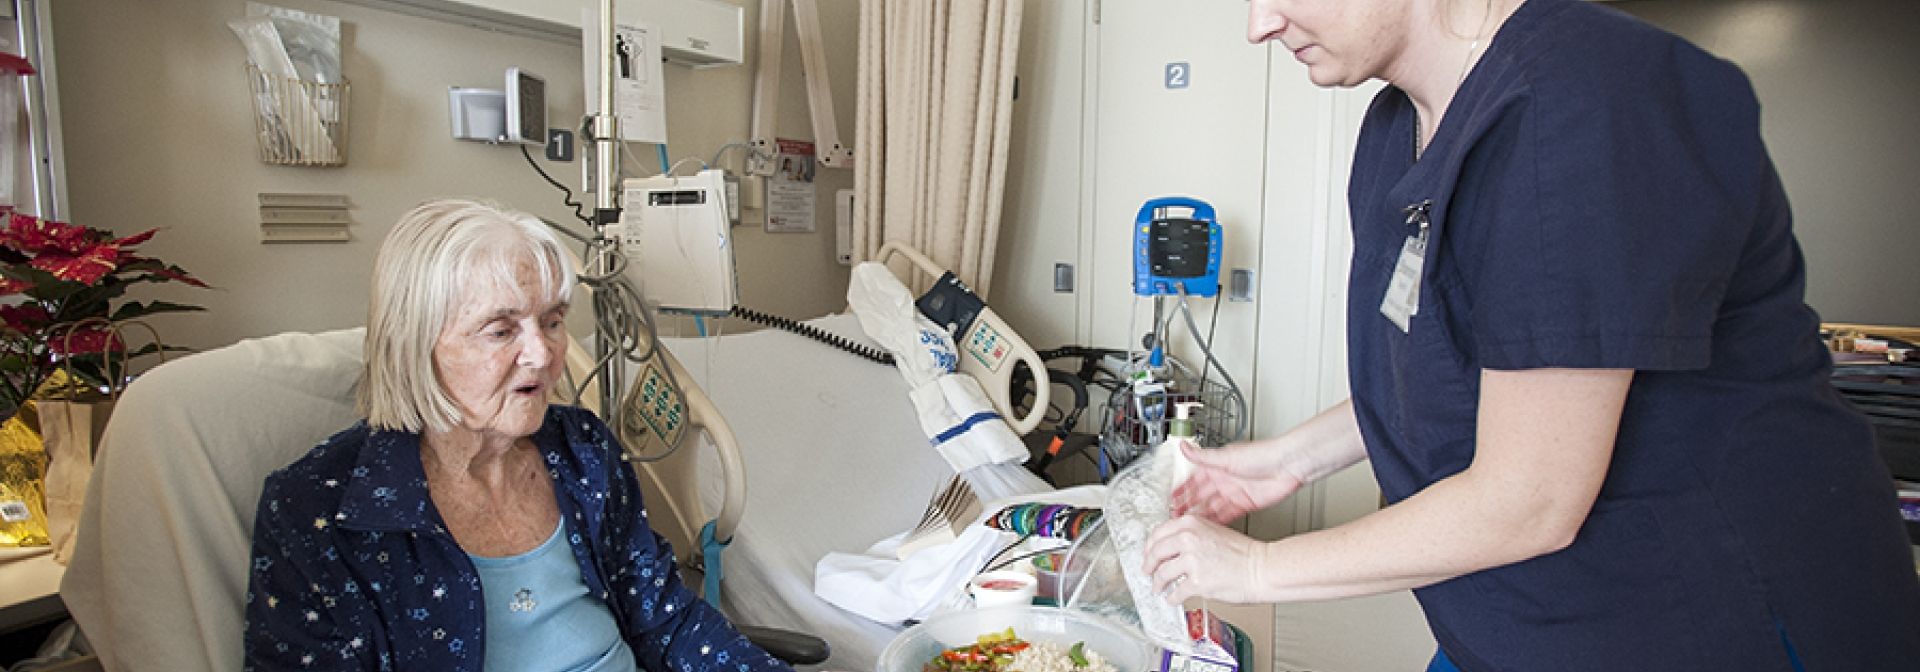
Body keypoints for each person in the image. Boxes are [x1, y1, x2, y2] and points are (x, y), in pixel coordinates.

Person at [1141, 0, 1920, 670]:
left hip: (1692, 615)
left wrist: (1259, 570)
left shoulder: (1588, 104)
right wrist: (1283, 462)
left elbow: (1531, 499)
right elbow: (1463, 359)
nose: (1259, 24)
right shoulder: (1394, 127)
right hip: (1510, 616)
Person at [243, 200, 791, 672]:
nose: (543, 354)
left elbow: (668, 624)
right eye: (501, 330)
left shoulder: (582, 451)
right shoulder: (320, 510)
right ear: (415, 343)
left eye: (551, 322)